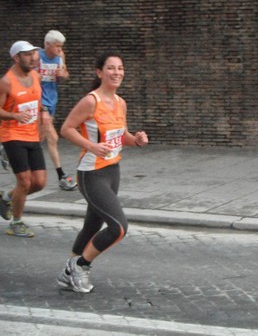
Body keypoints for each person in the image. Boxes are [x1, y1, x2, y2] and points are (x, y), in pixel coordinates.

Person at [56, 52, 148, 293]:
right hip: (91, 173)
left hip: (112, 171)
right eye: (111, 68)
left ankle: (68, 273)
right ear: (99, 72)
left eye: (120, 68)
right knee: (118, 227)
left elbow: (121, 136)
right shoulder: (91, 101)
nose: (116, 72)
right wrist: (91, 146)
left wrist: (136, 140)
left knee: (91, 226)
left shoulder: (120, 102)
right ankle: (81, 265)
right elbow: (66, 129)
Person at [0, 41, 47, 238]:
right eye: (27, 55)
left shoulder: (36, 76)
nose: (33, 58)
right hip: (12, 135)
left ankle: (7, 197)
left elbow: (36, 100)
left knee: (40, 182)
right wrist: (14, 116)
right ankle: (16, 222)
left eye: (33, 54)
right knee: (25, 182)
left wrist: (44, 113)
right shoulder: (7, 81)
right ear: (16, 58)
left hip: (32, 135)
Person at [38, 30, 77, 191]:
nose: (60, 50)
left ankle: (9, 148)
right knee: (53, 137)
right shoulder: (36, 56)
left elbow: (66, 73)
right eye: (57, 46)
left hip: (52, 99)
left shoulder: (60, 56)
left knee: (39, 137)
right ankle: (62, 176)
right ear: (47, 45)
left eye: (61, 47)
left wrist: (64, 74)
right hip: (39, 100)